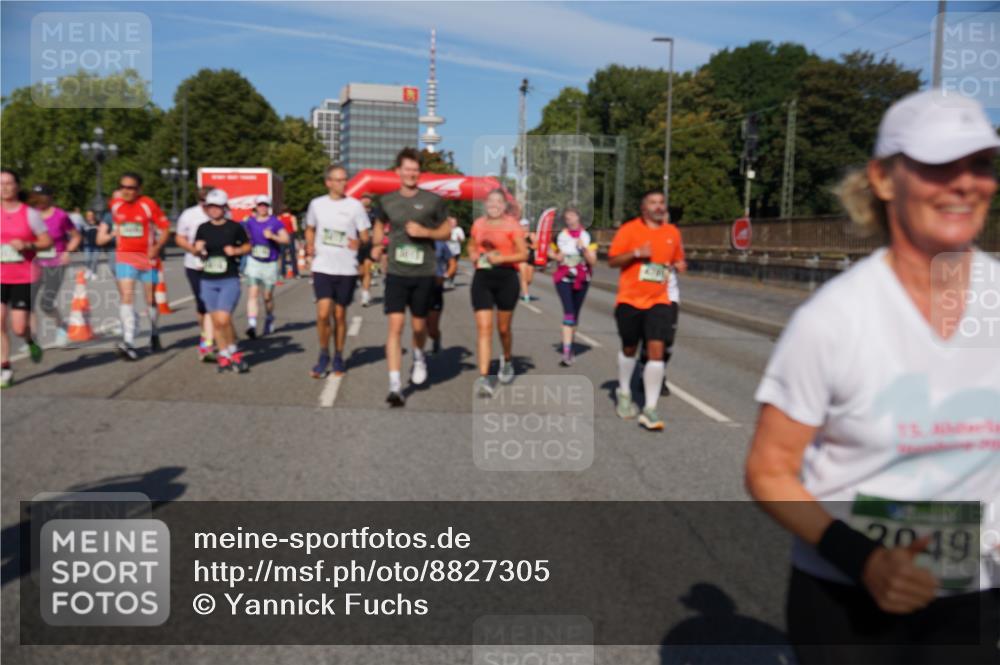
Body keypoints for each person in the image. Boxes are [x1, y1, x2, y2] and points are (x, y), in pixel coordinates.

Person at [745, 89, 1000, 665]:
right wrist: (863, 558)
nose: (966, 183)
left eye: (981, 165)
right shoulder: (834, 320)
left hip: (973, 595)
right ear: (883, 179)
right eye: (940, 165)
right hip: (846, 599)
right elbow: (768, 470)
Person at [371, 147, 451, 407]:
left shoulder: (432, 201)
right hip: (396, 272)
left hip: (423, 272)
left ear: (420, 172)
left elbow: (446, 231)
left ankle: (418, 355)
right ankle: (395, 386)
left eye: (415, 170)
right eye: (407, 169)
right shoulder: (386, 200)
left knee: (419, 327)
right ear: (398, 171)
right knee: (395, 327)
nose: (411, 174)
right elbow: (379, 224)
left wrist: (425, 233)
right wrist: (377, 245)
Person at [607, 189, 686, 431]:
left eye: (661, 202)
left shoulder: (672, 232)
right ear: (644, 208)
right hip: (630, 300)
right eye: (653, 202)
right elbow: (612, 260)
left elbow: (676, 258)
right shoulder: (629, 230)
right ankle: (624, 392)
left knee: (656, 350)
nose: (659, 206)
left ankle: (650, 408)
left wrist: (679, 263)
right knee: (629, 348)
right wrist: (635, 253)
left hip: (659, 300)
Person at [304, 164, 370, 378]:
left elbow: (365, 235)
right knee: (323, 314)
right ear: (328, 182)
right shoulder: (317, 204)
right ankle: (324, 355)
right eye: (339, 180)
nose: (343, 183)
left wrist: (359, 242)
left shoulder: (355, 206)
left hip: (346, 268)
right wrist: (309, 245)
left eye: (345, 179)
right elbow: (310, 228)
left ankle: (339, 355)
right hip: (322, 266)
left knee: (340, 315)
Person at [96, 173, 170, 360]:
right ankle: (128, 340)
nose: (127, 191)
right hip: (125, 258)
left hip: (148, 259)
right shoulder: (115, 205)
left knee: (150, 299)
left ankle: (153, 332)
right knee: (127, 296)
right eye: (123, 187)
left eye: (131, 188)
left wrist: (157, 247)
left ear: (139, 189)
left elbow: (165, 228)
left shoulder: (148, 204)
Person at [468, 189, 529, 397]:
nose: (494, 205)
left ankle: (507, 359)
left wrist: (501, 259)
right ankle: (484, 378)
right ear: (485, 204)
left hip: (506, 279)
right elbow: (471, 245)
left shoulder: (512, 225)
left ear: (504, 206)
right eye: (490, 201)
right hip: (482, 278)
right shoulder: (478, 224)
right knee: (484, 329)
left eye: (498, 202)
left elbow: (523, 254)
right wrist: (473, 254)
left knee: (503, 329)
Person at [1, 169, 53, 388]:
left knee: (19, 328)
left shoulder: (30, 214)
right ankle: (5, 368)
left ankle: (30, 341)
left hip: (24, 276)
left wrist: (27, 245)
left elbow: (47, 242)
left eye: (9, 183)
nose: (4, 187)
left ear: (17, 186)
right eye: (1, 183)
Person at [194, 188, 250, 373]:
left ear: (224, 208)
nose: (214, 210)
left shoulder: (234, 227)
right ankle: (224, 354)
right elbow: (198, 250)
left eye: (218, 207)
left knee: (224, 319)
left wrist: (236, 251)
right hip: (208, 280)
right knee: (216, 321)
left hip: (229, 279)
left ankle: (234, 351)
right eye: (211, 206)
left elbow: (247, 246)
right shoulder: (203, 228)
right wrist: (198, 250)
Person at [29, 184, 81, 346]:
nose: (39, 199)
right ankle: (32, 340)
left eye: (42, 195)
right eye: (36, 196)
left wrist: (67, 252)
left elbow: (76, 237)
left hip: (56, 263)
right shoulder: (31, 215)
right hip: (35, 264)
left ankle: (62, 327)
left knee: (46, 303)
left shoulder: (60, 215)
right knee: (27, 301)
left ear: (50, 197)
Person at [550, 207, 597, 366]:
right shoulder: (560, 236)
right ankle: (566, 353)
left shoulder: (588, 236)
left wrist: (584, 248)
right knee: (569, 314)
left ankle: (570, 346)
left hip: (582, 279)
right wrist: (557, 256)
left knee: (575, 315)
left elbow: (593, 261)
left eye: (572, 216)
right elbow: (549, 252)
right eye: (567, 217)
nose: (569, 219)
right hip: (563, 278)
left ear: (578, 217)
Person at [174, 186, 216, 361]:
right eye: (202, 201)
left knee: (213, 304)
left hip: (216, 266)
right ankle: (205, 333)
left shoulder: (222, 213)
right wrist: (193, 250)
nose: (206, 205)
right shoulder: (189, 214)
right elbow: (179, 237)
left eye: (209, 201)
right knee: (202, 304)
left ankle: (208, 341)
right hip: (194, 265)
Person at [242, 195, 289, 339]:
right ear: (256, 207)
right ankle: (252, 325)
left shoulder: (275, 222)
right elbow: (239, 232)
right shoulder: (249, 222)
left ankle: (269, 317)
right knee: (253, 293)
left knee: (267, 296)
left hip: (270, 263)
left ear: (268, 207)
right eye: (260, 205)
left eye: (265, 205)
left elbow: (286, 239)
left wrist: (273, 237)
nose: (262, 208)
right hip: (254, 261)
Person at [427, 239, 456, 355]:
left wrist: (445, 276)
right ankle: (419, 357)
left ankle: (436, 337)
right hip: (418, 286)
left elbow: (452, 263)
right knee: (419, 326)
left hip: (436, 286)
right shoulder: (415, 242)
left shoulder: (441, 244)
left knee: (432, 329)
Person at [357, 193, 377, 307]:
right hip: (358, 245)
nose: (366, 200)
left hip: (371, 244)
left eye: (368, 198)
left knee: (368, 269)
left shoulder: (375, 212)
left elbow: (380, 226)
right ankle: (364, 287)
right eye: (364, 198)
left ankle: (365, 294)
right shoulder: (355, 211)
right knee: (361, 272)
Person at [517, 206, 536, 303]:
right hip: (522, 259)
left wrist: (528, 244)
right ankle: (526, 295)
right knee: (524, 277)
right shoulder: (518, 235)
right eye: (523, 226)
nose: (525, 227)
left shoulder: (532, 235)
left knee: (529, 279)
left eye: (526, 225)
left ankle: (522, 287)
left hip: (531, 258)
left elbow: (536, 246)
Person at [277, 205, 299, 280]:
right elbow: (295, 228)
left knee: (283, 255)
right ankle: (295, 273)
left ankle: (283, 273)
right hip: (290, 235)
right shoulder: (292, 217)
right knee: (293, 255)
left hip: (282, 236)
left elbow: (277, 228)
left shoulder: (279, 217)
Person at [445, 215, 465, 289]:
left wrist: (459, 238)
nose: (453, 223)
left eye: (455, 222)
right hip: (447, 251)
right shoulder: (445, 229)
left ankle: (451, 281)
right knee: (447, 266)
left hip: (456, 251)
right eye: (452, 222)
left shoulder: (459, 229)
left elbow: (462, 239)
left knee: (454, 267)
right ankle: (447, 280)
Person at [81, 210, 101, 280]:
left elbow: (102, 233)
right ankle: (88, 271)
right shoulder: (84, 224)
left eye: (91, 215)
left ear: (94, 216)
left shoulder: (98, 223)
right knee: (87, 259)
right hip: (87, 245)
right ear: (86, 217)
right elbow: (82, 235)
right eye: (88, 215)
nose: (90, 217)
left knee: (95, 260)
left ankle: (94, 273)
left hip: (97, 245)